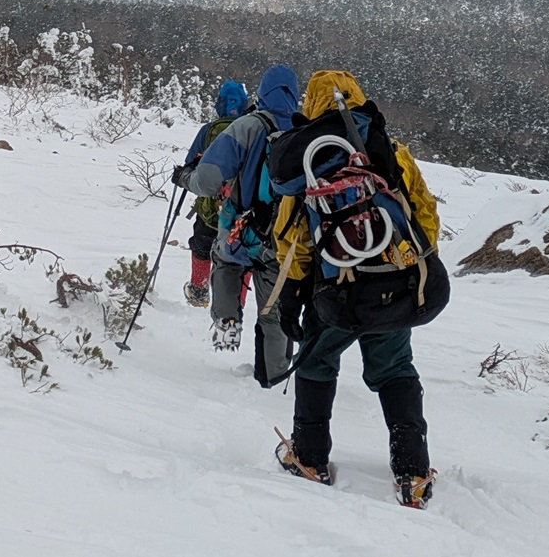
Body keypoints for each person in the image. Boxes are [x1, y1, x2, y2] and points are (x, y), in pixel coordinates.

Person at [265, 70, 448, 508]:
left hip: (337, 290)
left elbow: (291, 236)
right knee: (395, 369)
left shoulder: (308, 159)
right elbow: (425, 215)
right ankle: (412, 474)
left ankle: (309, 457)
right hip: (393, 281)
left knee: (317, 362)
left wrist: (292, 294)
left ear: (309, 105)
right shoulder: (392, 152)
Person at [175, 64, 298, 382]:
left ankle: (225, 346)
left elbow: (209, 179)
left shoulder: (247, 126)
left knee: (227, 275)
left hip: (239, 233)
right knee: (273, 312)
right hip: (285, 239)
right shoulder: (305, 131)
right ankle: (272, 378)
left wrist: (185, 177)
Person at [178, 80, 249, 308]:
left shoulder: (208, 131)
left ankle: (199, 290)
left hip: (211, 207)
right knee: (241, 250)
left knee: (201, 243)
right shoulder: (252, 129)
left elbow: (191, 163)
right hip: (243, 209)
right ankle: (237, 299)